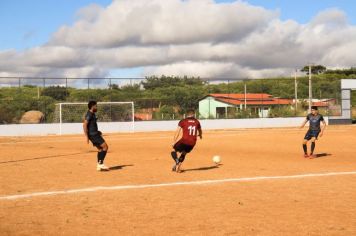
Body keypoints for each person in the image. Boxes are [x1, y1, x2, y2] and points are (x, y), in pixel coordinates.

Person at [83, 101, 109, 171]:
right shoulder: (89, 114)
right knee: (105, 147)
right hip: (93, 135)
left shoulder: (93, 114)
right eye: (96, 106)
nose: (97, 107)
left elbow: (91, 125)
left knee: (100, 149)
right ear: (92, 106)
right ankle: (100, 164)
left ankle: (99, 165)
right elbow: (85, 124)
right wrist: (87, 136)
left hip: (95, 133)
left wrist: (98, 131)